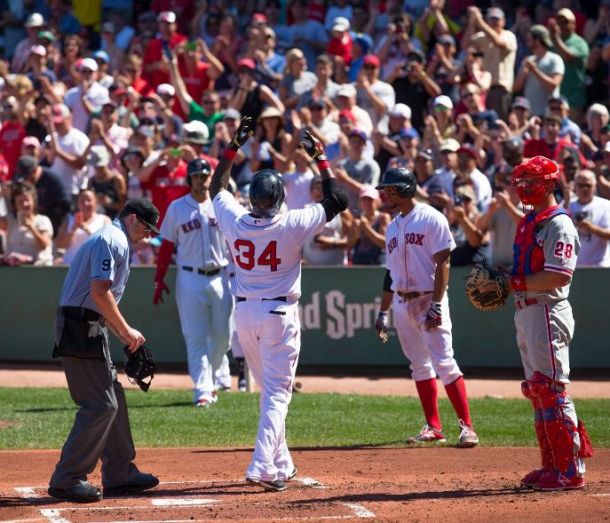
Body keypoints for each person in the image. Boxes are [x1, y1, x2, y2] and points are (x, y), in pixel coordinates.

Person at [209, 118, 348, 491]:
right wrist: (320, 158)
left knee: (270, 391)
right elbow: (339, 200)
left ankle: (280, 461)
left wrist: (233, 147)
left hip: (245, 313)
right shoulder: (292, 222)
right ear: (280, 199)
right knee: (276, 393)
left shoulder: (235, 218)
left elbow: (215, 186)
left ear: (253, 198)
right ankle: (260, 466)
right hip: (278, 314)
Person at [48, 199, 160, 503]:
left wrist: (125, 337)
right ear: (133, 219)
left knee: (114, 396)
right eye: (147, 229)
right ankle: (67, 478)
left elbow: (100, 301)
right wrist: (126, 332)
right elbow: (99, 292)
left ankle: (120, 472)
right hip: (78, 326)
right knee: (101, 405)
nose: (149, 236)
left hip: (89, 324)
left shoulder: (116, 239)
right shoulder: (111, 239)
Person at [374, 168, 479, 448]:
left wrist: (435, 304)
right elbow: (389, 273)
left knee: (444, 362)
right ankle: (434, 426)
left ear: (406, 190)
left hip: (428, 298)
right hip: (401, 301)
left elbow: (444, 262)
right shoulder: (392, 226)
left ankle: (467, 428)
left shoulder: (431, 217)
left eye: (391, 190)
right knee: (419, 366)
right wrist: (383, 312)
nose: (385, 194)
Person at [508, 155, 592, 491]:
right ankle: (551, 466)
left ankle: (570, 469)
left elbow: (558, 275)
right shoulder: (531, 220)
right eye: (523, 181)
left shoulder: (558, 222)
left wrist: (511, 283)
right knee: (537, 391)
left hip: (547, 309)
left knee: (551, 389)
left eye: (534, 181)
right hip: (528, 310)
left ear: (551, 183)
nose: (527, 187)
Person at [153, 159, 233, 407]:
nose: (201, 179)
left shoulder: (222, 204)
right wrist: (159, 279)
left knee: (224, 337)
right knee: (195, 336)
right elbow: (166, 246)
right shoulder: (177, 207)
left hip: (221, 276)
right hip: (189, 278)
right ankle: (203, 389)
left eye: (205, 175)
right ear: (189, 180)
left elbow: (237, 239)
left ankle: (212, 378)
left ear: (212, 178)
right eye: (196, 176)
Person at [0, 180, 53, 266]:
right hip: (14, 272)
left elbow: (44, 245)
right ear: (15, 205)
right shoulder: (10, 221)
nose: (24, 204)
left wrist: (31, 228)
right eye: (20, 202)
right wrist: (1, 195)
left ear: (33, 201)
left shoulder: (43, 221)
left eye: (27, 200)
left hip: (37, 271)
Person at [55, 189, 111, 265]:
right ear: (78, 203)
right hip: (71, 267)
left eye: (89, 200)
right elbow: (59, 245)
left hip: (95, 268)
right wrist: (73, 230)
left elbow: (108, 244)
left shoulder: (104, 220)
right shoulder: (69, 219)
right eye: (82, 201)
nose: (85, 204)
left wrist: (87, 229)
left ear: (95, 202)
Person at [567, 170, 610, 267]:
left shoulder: (606, 205)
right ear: (575, 186)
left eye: (588, 185)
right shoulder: (568, 204)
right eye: (580, 185)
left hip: (599, 267)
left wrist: (591, 228)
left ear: (595, 186)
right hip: (574, 267)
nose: (584, 189)